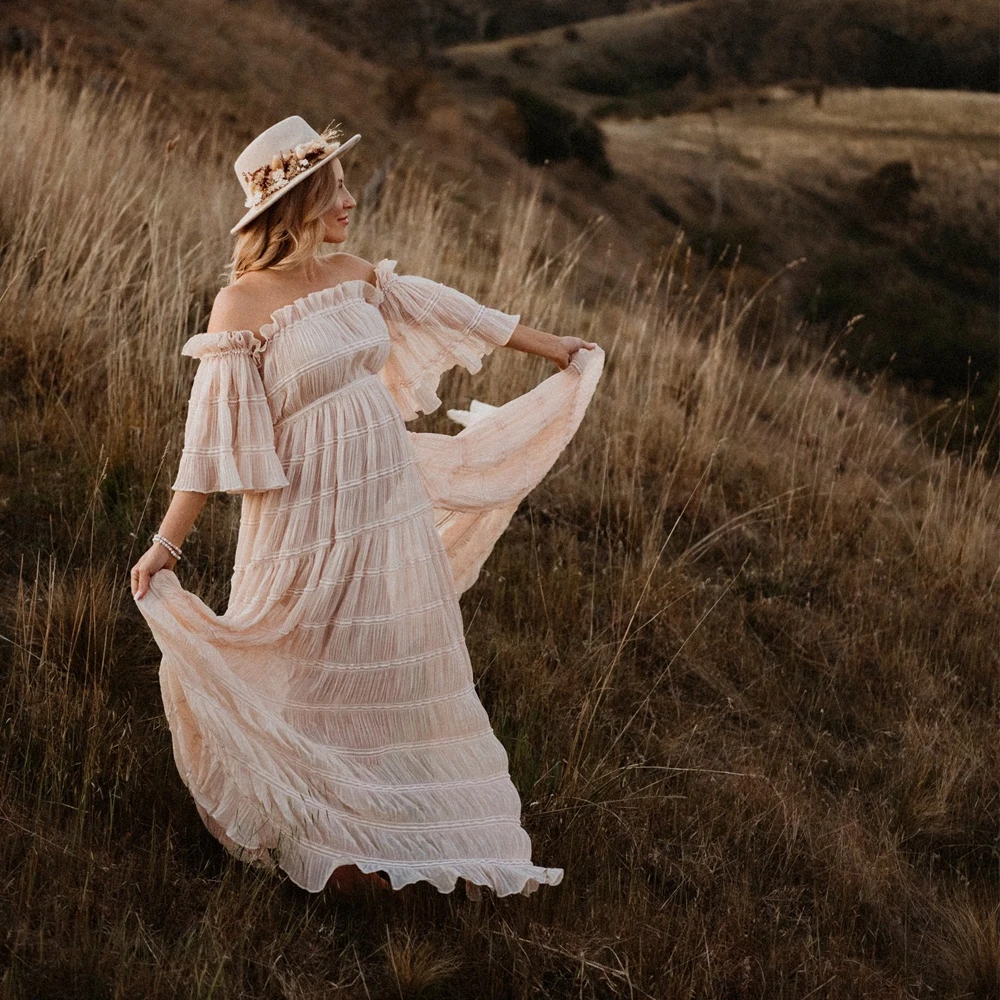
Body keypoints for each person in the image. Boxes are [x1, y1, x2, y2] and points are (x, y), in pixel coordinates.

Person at [130, 115, 605, 898]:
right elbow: (209, 444)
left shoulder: (355, 276)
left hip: (385, 502)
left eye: (347, 186)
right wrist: (166, 545)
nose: (349, 200)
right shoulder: (240, 306)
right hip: (306, 514)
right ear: (296, 203)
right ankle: (315, 827)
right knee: (313, 660)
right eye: (335, 189)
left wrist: (556, 348)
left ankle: (407, 831)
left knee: (386, 661)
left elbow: (457, 312)